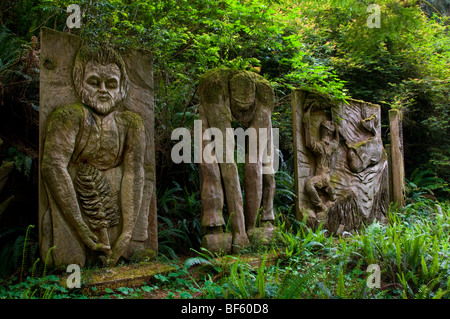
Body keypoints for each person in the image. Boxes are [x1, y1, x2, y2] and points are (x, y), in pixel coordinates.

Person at [41, 46, 145, 265]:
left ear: (122, 88)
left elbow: (134, 172)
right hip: (72, 200)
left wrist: (127, 231)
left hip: (116, 201)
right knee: (68, 260)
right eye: (94, 82)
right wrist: (80, 226)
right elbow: (53, 166)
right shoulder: (68, 117)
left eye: (111, 84)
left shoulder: (132, 124)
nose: (103, 90)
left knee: (136, 251)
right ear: (80, 83)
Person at [304, 105, 339, 220]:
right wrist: (337, 130)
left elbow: (309, 142)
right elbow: (337, 141)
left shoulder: (321, 146)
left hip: (321, 177)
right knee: (327, 190)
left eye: (323, 129)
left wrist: (306, 122)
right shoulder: (332, 146)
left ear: (326, 132)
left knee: (309, 185)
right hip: (326, 177)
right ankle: (330, 192)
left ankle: (320, 206)